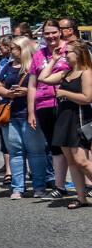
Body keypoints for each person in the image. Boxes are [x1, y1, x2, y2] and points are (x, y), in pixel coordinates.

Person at [41, 40, 92, 208]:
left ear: (77, 54)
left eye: (67, 52)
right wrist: (54, 60)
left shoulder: (86, 73)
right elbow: (43, 78)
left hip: (78, 120)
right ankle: (81, 198)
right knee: (72, 162)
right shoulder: (65, 73)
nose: (64, 55)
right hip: (63, 120)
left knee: (82, 161)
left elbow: (87, 98)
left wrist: (64, 93)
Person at [0, 37, 48, 199]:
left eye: (14, 48)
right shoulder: (8, 66)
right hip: (10, 114)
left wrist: (27, 92)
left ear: (23, 49)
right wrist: (7, 93)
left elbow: (43, 86)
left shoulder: (35, 65)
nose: (10, 51)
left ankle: (39, 187)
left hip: (29, 113)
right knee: (15, 152)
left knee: (36, 152)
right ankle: (17, 188)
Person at [28, 19, 70, 198]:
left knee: (76, 145)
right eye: (46, 33)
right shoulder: (39, 55)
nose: (50, 36)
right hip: (44, 105)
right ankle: (60, 186)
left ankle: (88, 184)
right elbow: (32, 85)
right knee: (54, 146)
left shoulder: (70, 48)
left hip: (67, 103)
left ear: (60, 32)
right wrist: (31, 111)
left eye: (53, 32)